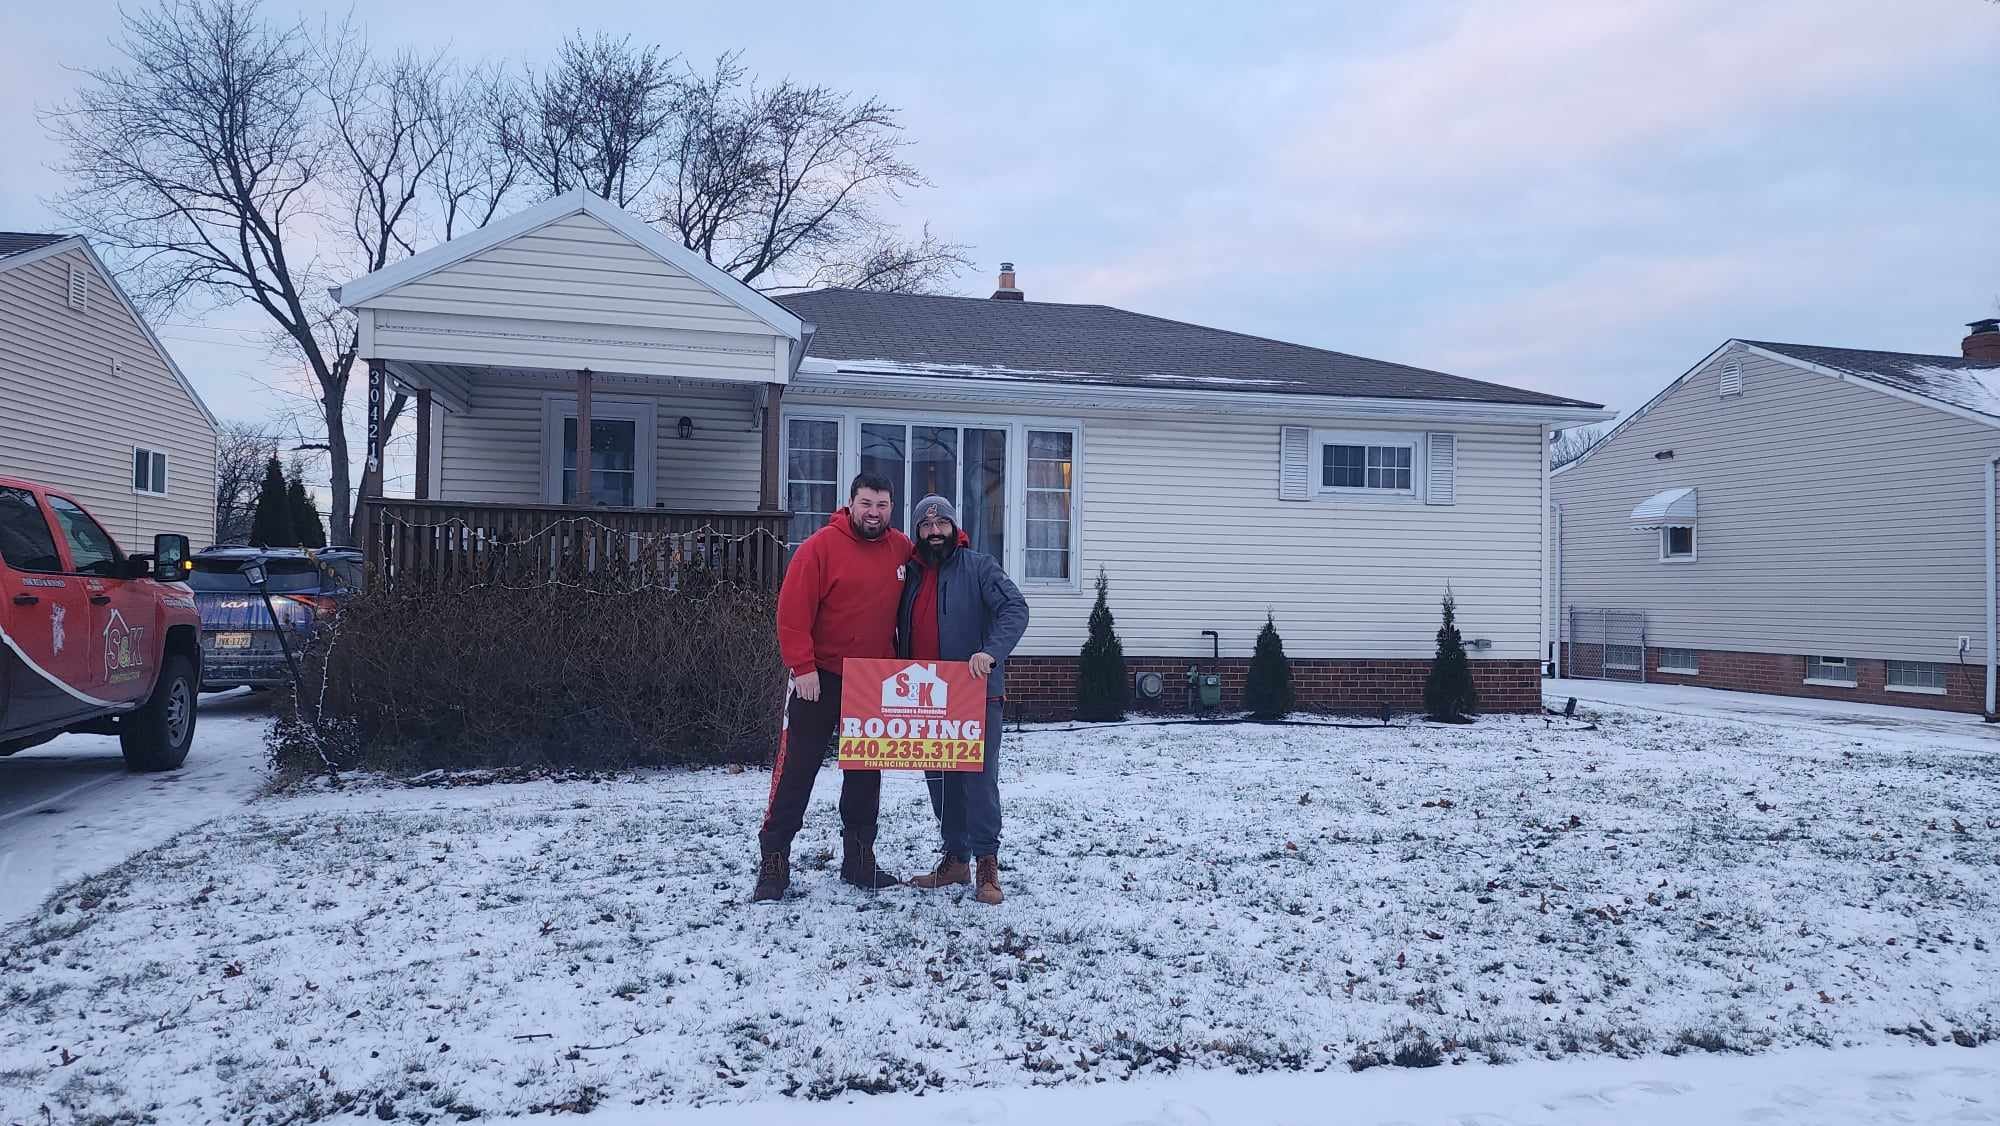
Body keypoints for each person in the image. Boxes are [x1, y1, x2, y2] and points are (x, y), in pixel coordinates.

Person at [753, 474, 913, 902]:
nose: (873, 512)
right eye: (866, 503)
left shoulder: (901, 548)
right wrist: (801, 666)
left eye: (882, 504)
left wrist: (959, 540)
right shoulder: (821, 547)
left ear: (891, 507)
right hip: (818, 678)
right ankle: (774, 859)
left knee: (865, 773)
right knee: (798, 768)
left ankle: (859, 858)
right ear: (850, 503)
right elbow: (792, 609)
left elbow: (936, 566)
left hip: (871, 681)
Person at [896, 495, 1029, 905]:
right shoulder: (911, 575)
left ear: (955, 528)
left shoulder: (980, 567)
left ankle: (987, 862)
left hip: (975, 691)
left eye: (942, 525)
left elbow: (1015, 609)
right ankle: (955, 858)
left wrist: (991, 651)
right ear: (917, 532)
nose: (934, 532)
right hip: (926, 696)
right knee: (940, 778)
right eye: (925, 526)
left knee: (977, 778)